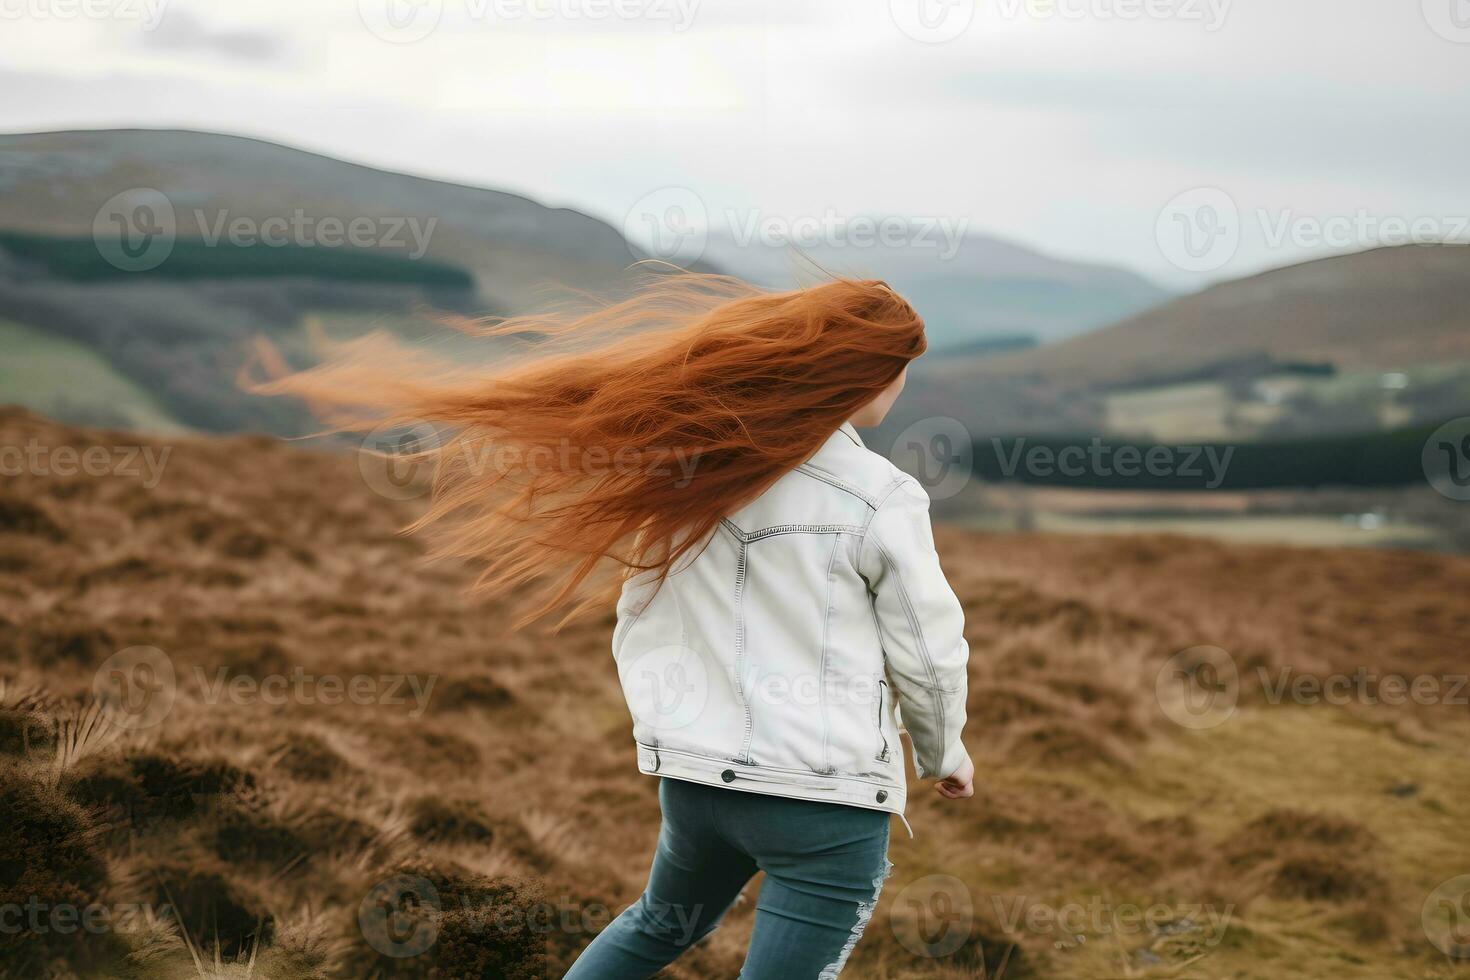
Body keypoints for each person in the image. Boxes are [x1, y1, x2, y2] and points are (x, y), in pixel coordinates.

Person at [255, 272, 972, 978]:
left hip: (698, 782)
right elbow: (927, 650)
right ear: (866, 373)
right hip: (820, 801)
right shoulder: (880, 496)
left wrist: (672, 722)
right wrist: (945, 754)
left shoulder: (691, 468)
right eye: (900, 369)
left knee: (658, 924)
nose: (901, 384)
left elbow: (642, 607)